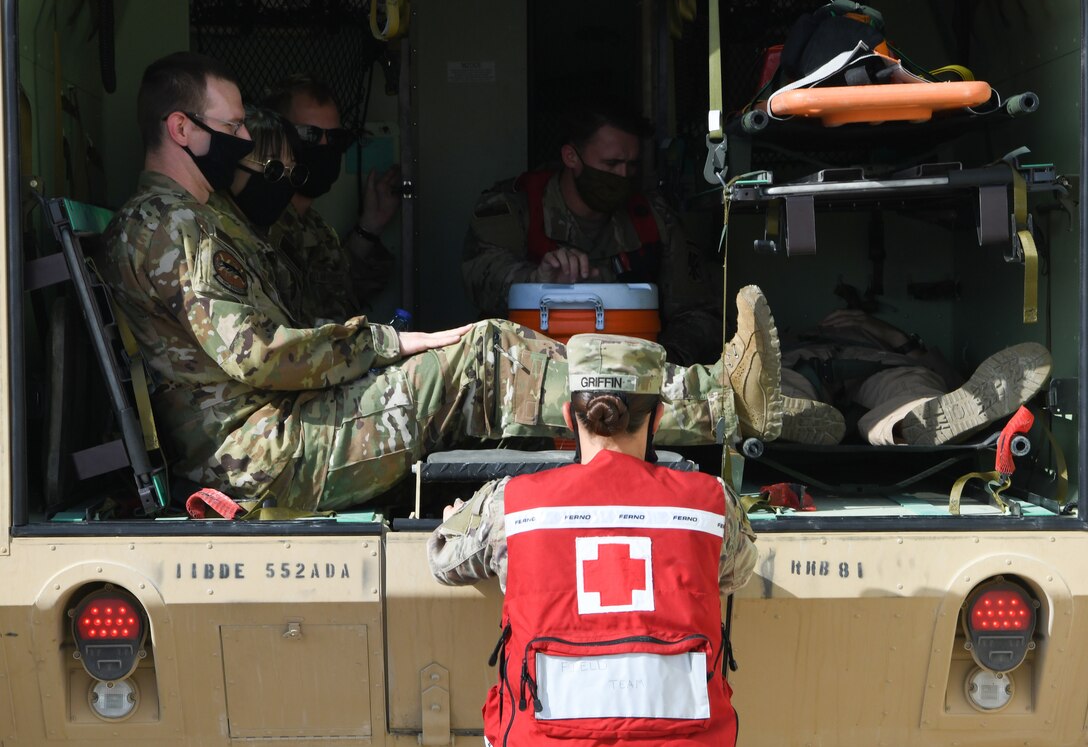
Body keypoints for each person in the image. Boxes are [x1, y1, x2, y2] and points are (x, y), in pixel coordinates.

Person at [100, 52, 784, 512]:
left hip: (281, 430)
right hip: (268, 455)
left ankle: (708, 393)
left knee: (485, 351)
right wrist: (394, 344)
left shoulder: (198, 217)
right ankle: (720, 404)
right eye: (233, 125)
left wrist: (393, 343)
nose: (248, 137)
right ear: (181, 128)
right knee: (482, 359)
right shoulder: (166, 226)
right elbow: (261, 353)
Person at [429, 333, 755, 746]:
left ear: (568, 416)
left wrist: (456, 520)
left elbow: (442, 558)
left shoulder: (509, 504)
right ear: (656, 420)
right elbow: (735, 573)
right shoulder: (711, 503)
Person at [462, 100, 722, 366]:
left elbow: (698, 312)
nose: (622, 175)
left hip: (631, 372)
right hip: (530, 371)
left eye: (631, 165)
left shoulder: (653, 217)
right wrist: (536, 282)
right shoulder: (517, 207)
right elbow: (481, 279)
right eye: (611, 164)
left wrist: (659, 364)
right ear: (571, 157)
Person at [776, 309, 1052, 446]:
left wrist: (885, 332)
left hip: (878, 365)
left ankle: (920, 420)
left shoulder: (882, 342)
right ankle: (789, 416)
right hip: (799, 364)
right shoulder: (789, 341)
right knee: (786, 388)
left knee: (913, 390)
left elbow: (953, 383)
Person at [262, 74, 399, 324]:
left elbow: (338, 291)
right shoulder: (261, 225)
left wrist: (370, 226)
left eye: (335, 138)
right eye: (310, 136)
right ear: (276, 138)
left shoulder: (316, 226)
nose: (325, 147)